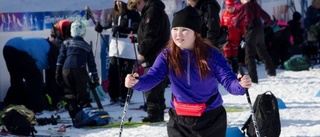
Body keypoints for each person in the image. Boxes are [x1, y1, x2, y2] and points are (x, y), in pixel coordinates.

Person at [125, 6, 252, 137]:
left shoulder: (212, 55)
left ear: (196, 33)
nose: (178, 34)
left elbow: (229, 81)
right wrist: (136, 82)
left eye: (184, 30)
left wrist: (240, 85)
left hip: (209, 120)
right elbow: (153, 77)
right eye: (175, 29)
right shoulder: (167, 55)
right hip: (179, 120)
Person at [2, 19, 71, 113]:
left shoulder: (44, 44)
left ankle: (13, 104)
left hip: (8, 46)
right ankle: (37, 108)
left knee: (16, 79)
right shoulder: (54, 50)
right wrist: (59, 97)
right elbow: (54, 78)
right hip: (19, 50)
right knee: (36, 78)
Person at [127, 0, 170, 122]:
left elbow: (151, 35)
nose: (136, 10)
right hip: (157, 54)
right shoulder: (152, 11)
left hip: (154, 56)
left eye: (136, 6)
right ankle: (157, 111)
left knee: (151, 86)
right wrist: (137, 39)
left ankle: (154, 113)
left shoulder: (153, 12)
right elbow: (149, 34)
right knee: (157, 86)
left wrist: (142, 51)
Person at [95, 0, 141, 105]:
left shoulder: (133, 14)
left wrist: (123, 29)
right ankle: (114, 96)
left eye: (120, 2)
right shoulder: (114, 14)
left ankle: (125, 97)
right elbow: (110, 28)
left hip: (128, 49)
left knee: (127, 74)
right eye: (116, 2)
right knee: (113, 73)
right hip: (115, 49)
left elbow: (137, 29)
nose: (118, 4)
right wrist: (101, 29)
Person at [56, 20, 99, 121]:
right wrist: (95, 78)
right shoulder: (87, 46)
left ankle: (74, 115)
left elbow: (60, 59)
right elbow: (91, 64)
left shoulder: (65, 43)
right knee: (82, 93)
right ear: (83, 32)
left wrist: (57, 72)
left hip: (65, 70)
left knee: (70, 93)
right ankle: (86, 114)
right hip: (80, 69)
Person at [233, 0, 276, 83]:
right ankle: (271, 71)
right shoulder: (255, 5)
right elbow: (265, 16)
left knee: (249, 55)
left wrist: (235, 23)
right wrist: (271, 23)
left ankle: (253, 78)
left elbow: (236, 22)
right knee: (263, 51)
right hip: (259, 29)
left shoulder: (244, 7)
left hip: (250, 30)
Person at [220, 0, 245, 73]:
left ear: (234, 6)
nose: (229, 9)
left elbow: (242, 26)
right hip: (226, 39)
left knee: (235, 56)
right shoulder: (224, 14)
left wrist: (243, 36)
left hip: (235, 38)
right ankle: (227, 72)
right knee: (227, 56)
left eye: (231, 7)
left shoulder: (238, 14)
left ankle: (235, 72)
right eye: (228, 7)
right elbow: (221, 25)